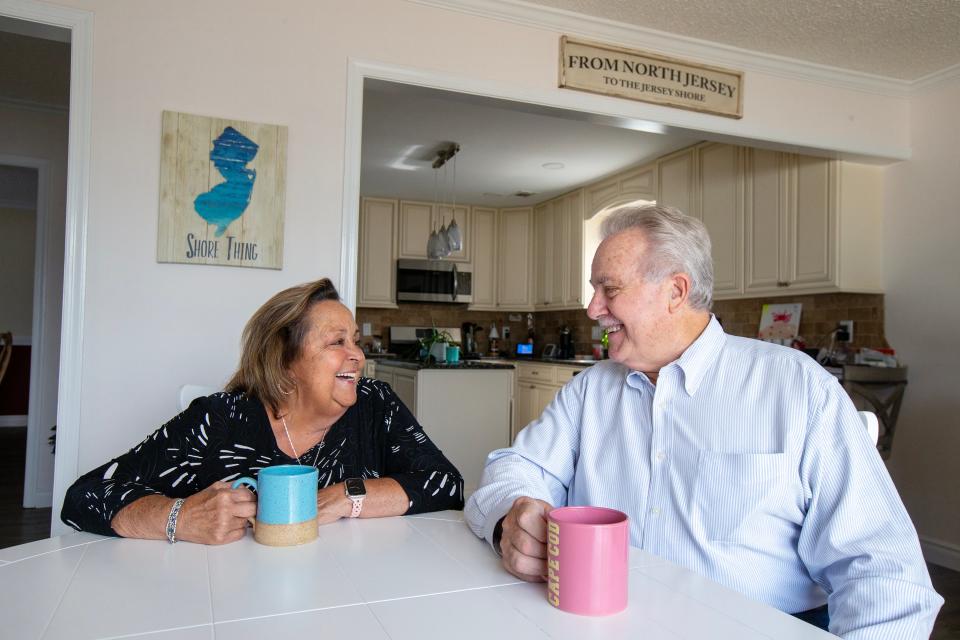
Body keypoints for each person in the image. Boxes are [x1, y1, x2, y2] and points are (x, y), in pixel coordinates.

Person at [465, 205, 942, 638]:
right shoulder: (592, 389)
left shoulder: (797, 389)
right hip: (594, 625)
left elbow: (883, 572)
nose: (592, 310)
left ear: (676, 291)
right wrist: (513, 514)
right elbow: (513, 467)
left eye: (609, 289)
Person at [63, 278, 463, 544]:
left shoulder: (376, 405)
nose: (356, 355)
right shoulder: (219, 420)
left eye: (355, 341)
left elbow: (446, 485)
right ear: (285, 359)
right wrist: (180, 517)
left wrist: (347, 495)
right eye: (336, 342)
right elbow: (85, 497)